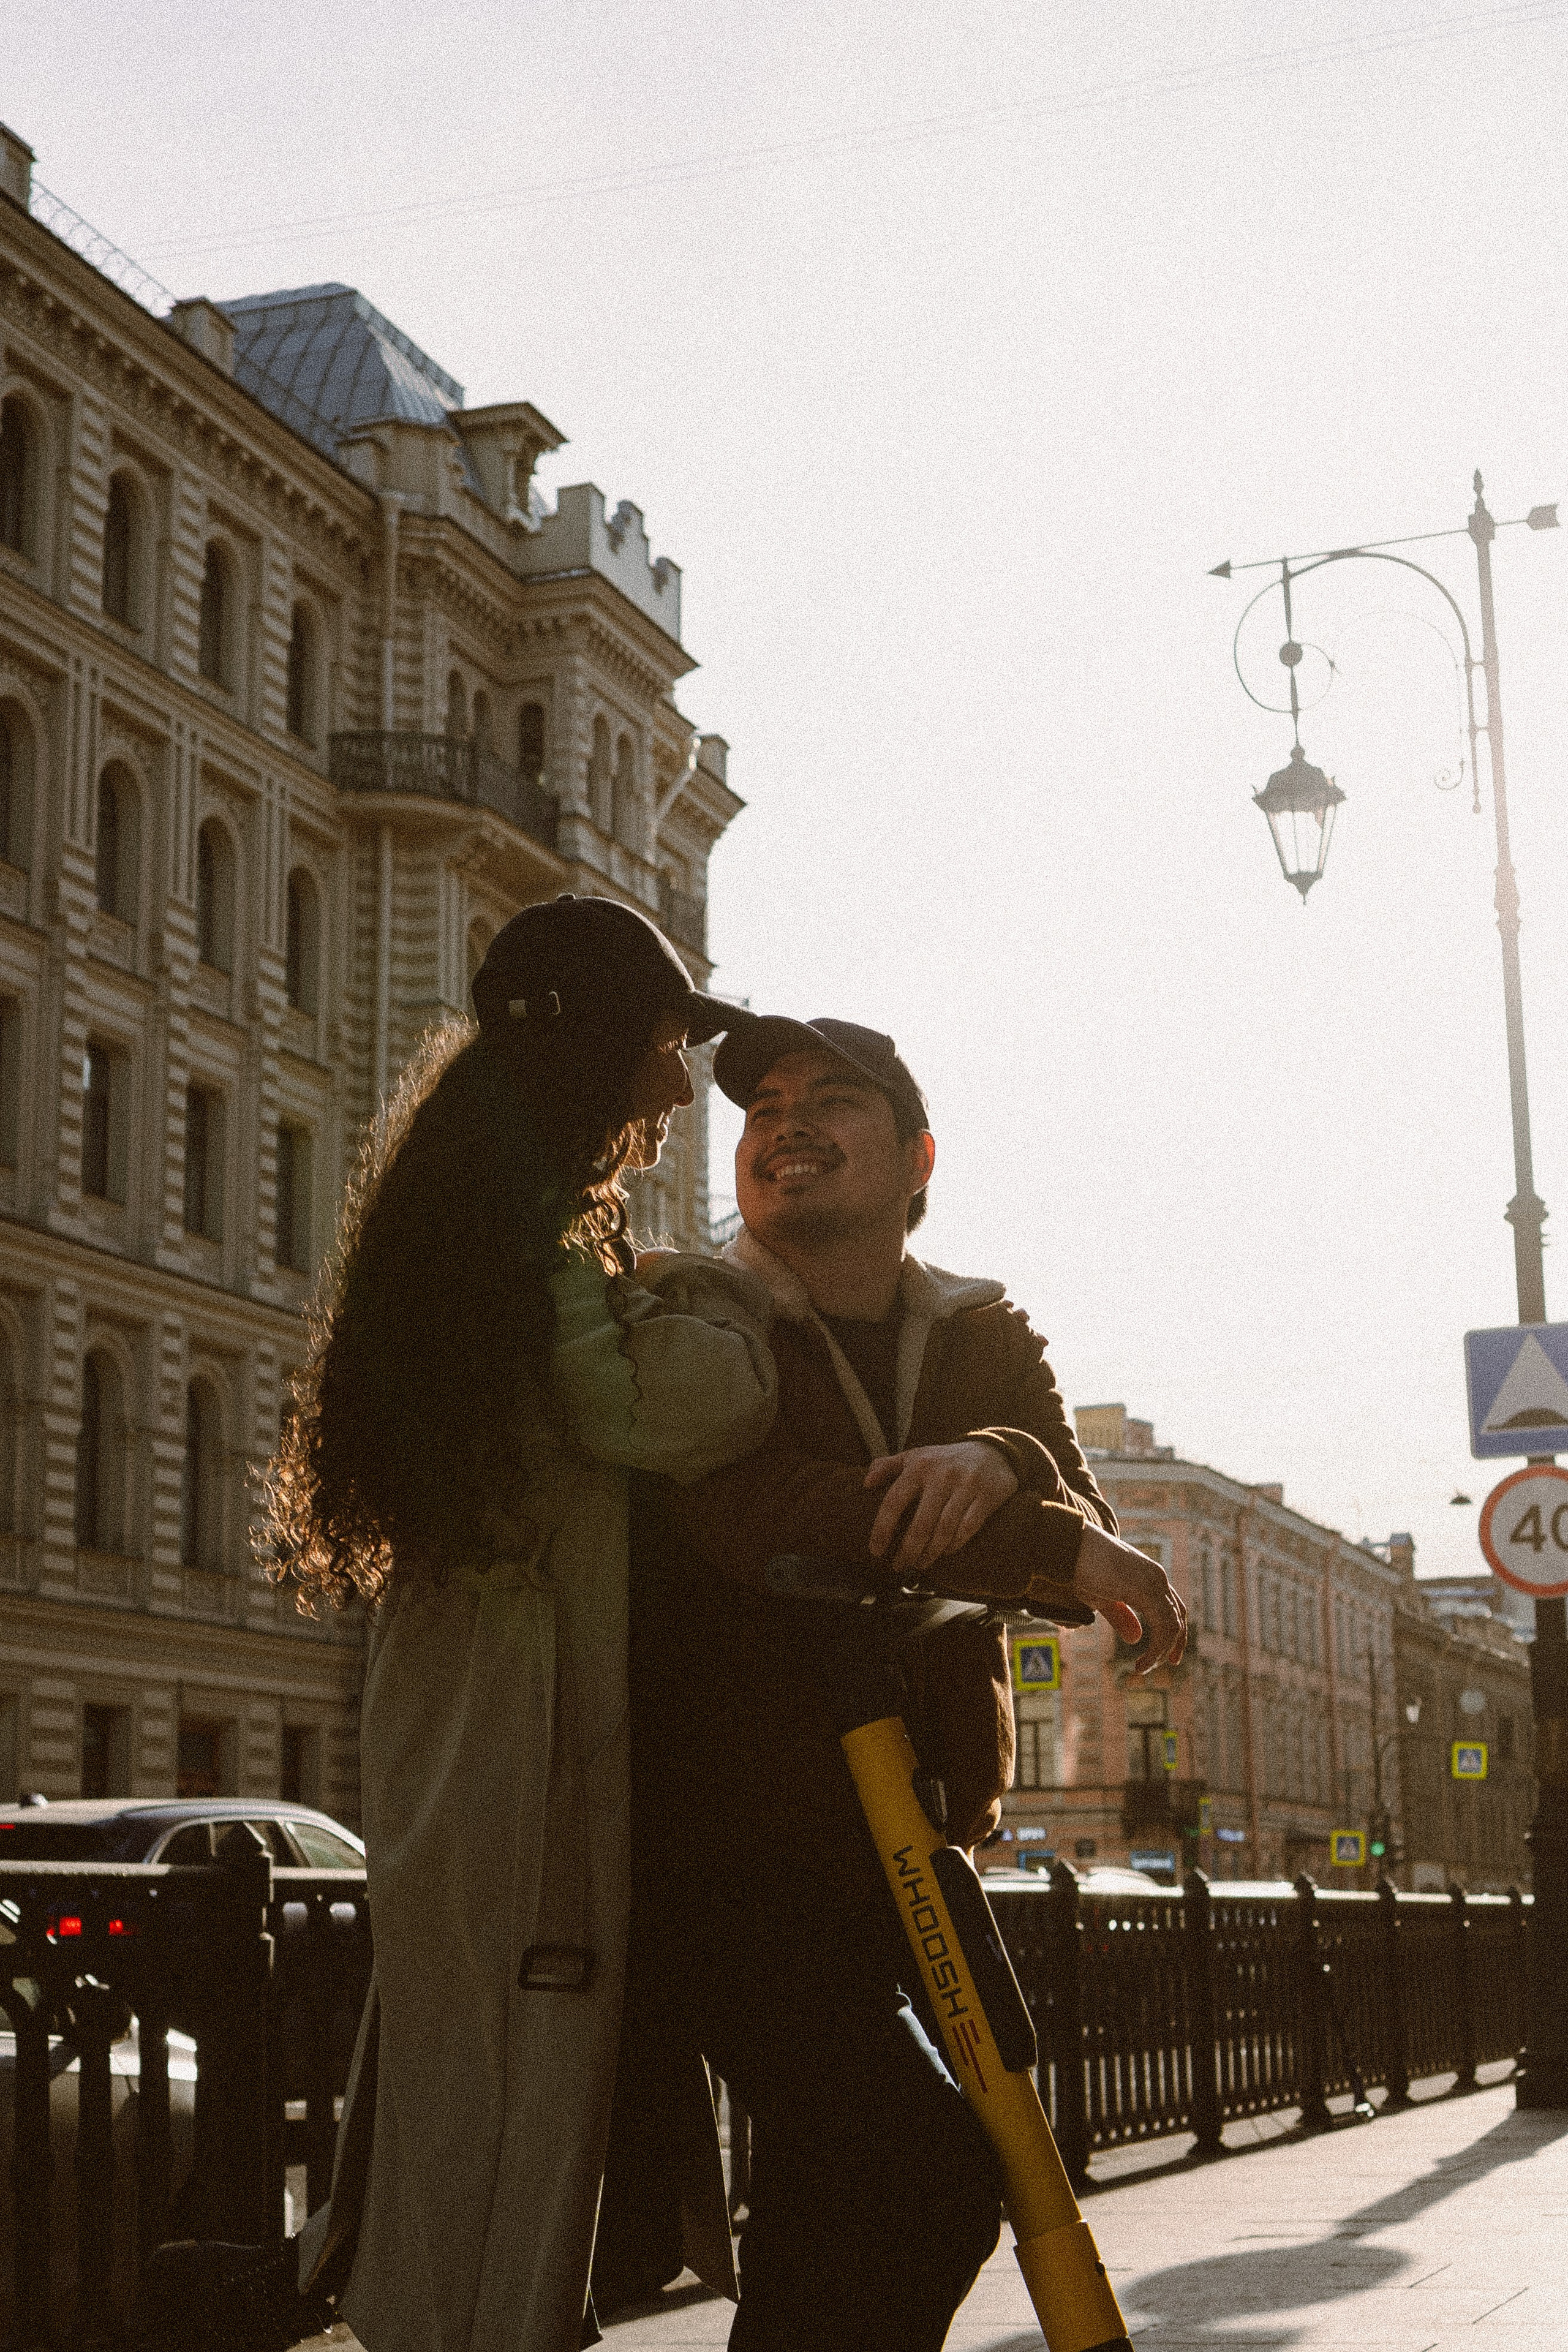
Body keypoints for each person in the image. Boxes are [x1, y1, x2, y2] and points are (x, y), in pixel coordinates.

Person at [138, 897, 778, 2352]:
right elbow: (671, 1406)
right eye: (664, 1052)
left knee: (481, 2095)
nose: (679, 1089)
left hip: (475, 1720)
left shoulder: (477, 1214)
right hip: (521, 1745)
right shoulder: (541, 1232)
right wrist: (728, 1297)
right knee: (510, 2097)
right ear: (596, 1053)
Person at [609, 1013, 1185, 2352]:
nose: (785, 1125)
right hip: (729, 1851)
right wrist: (1036, 1527)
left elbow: (1058, 1478)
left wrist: (999, 1458)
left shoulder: (983, 1328)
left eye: (830, 1101)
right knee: (911, 2174)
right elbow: (764, 1515)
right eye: (761, 1111)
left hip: (910, 1839)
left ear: (918, 1153)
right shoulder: (694, 1315)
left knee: (920, 2166)